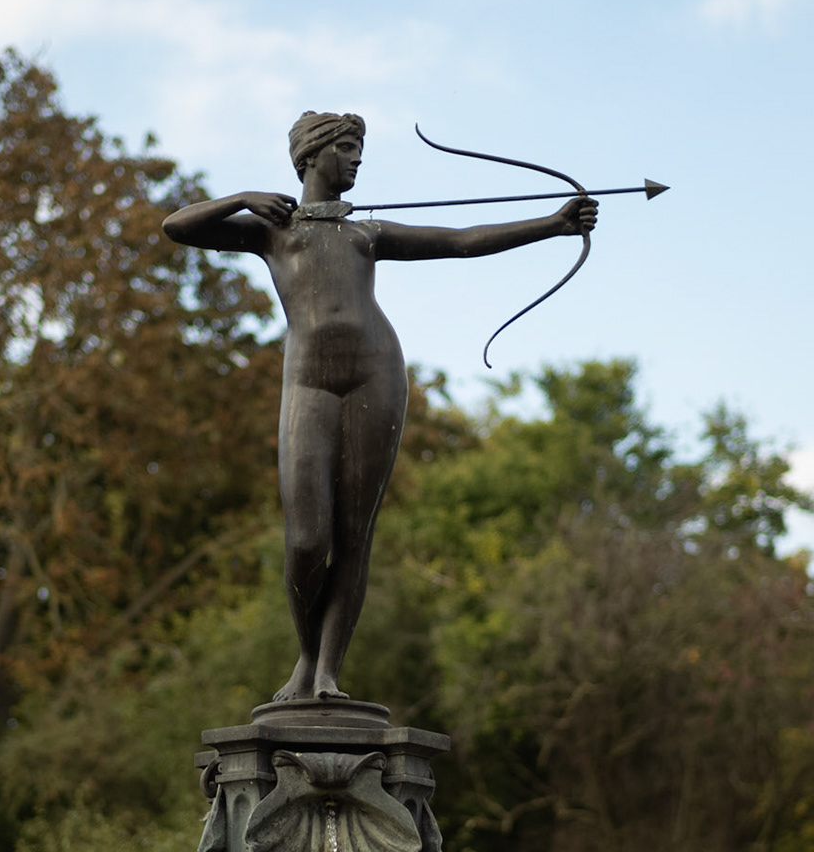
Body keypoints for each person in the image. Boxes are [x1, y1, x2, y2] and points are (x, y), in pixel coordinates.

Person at [163, 112, 596, 701]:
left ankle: (326, 672)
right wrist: (241, 198)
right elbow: (177, 227)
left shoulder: (364, 234)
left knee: (354, 534)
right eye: (346, 147)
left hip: (376, 376)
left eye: (358, 148)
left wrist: (553, 224)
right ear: (311, 156)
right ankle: (306, 656)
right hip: (308, 384)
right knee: (306, 539)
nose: (357, 158)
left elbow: (460, 242)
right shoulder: (272, 231)